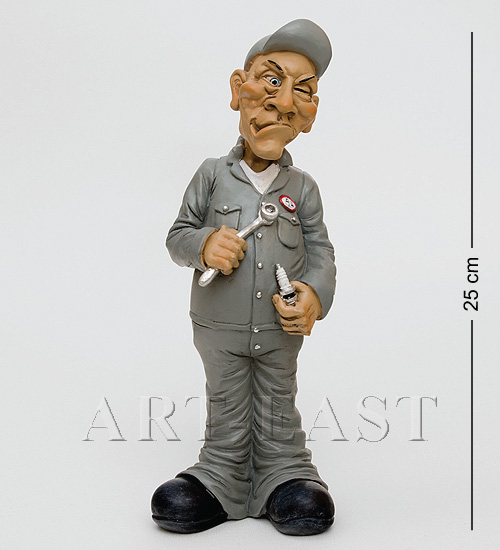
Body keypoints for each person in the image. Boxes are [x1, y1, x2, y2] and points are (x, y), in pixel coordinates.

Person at [151, 19, 337, 536]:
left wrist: (313, 295)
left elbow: (321, 252)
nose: (283, 103)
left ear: (310, 114)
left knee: (277, 400)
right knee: (228, 401)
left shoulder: (303, 188)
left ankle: (286, 474)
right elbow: (177, 235)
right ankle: (220, 476)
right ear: (239, 89)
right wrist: (204, 244)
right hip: (220, 327)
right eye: (271, 82)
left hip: (279, 330)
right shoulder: (212, 174)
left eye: (302, 91)